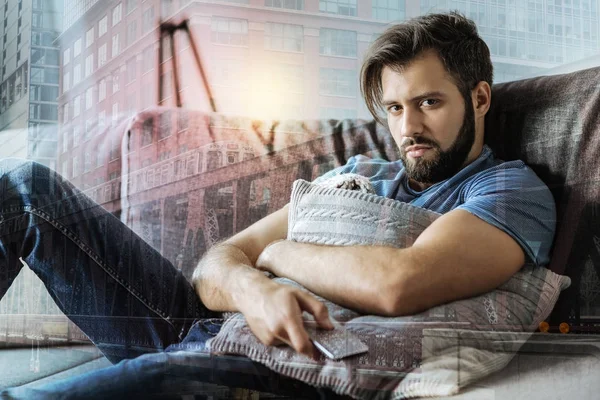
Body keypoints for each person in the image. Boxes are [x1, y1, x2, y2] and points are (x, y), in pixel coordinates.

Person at [0, 11, 555, 398]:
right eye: (393, 108)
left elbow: (399, 284)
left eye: (429, 102)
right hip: (205, 324)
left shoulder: (507, 191)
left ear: (480, 98)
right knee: (26, 191)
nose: (407, 127)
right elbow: (217, 261)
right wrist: (255, 289)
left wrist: (278, 254)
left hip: (281, 368)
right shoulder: (359, 174)